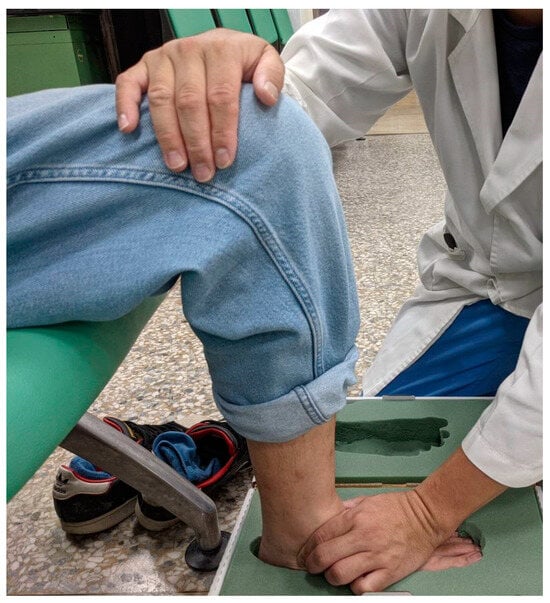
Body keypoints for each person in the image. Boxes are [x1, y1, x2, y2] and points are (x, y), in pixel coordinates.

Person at [7, 8, 541, 595]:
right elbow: (295, 101)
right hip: (494, 281)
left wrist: (427, 512)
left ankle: (297, 514)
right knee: (392, 447)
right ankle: (296, 527)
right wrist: (219, 85)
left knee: (498, 481)